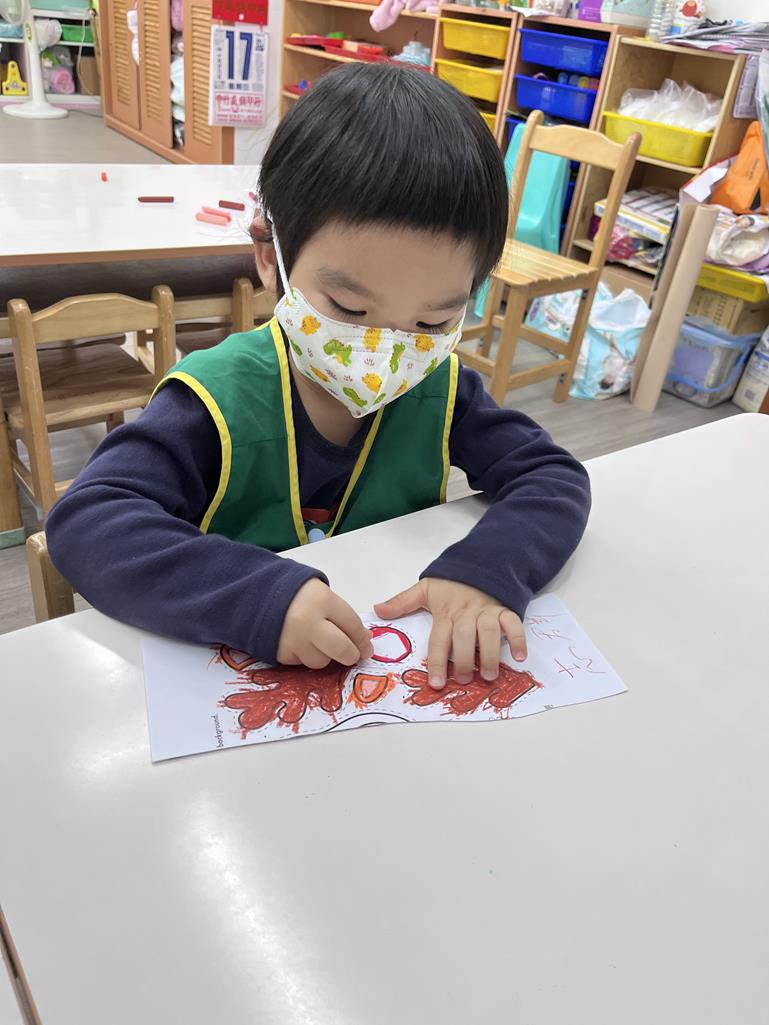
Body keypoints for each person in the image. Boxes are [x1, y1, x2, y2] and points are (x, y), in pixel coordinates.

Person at [47, 63, 591, 691]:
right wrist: (257, 598)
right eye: (349, 310)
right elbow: (88, 523)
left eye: (431, 321)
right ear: (268, 256)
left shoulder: (441, 389)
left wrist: (487, 570)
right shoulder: (215, 399)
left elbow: (552, 477)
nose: (384, 352)